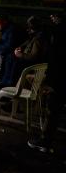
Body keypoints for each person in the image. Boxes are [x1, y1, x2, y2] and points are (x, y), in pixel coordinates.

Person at [27, 12, 65, 153]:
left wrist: (50, 81)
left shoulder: (58, 35)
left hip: (59, 78)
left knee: (53, 109)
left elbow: (56, 60)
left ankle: (45, 141)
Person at [0, 16, 50, 87]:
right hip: (27, 59)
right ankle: (5, 80)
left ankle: (9, 83)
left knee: (13, 59)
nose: (28, 29)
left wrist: (21, 55)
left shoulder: (39, 39)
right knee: (9, 56)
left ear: (34, 27)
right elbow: (28, 42)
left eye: (30, 27)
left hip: (34, 64)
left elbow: (34, 57)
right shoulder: (35, 35)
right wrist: (20, 47)